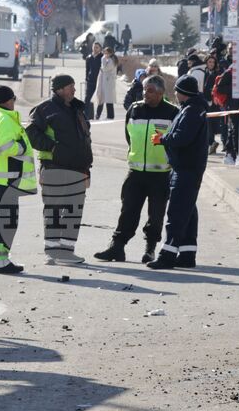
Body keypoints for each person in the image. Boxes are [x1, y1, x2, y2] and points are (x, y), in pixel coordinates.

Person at [94, 75, 180, 264]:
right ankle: (117, 247)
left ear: (160, 93)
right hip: (135, 172)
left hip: (160, 174)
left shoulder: (172, 112)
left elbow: (176, 142)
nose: (145, 94)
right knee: (128, 211)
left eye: (149, 90)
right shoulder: (134, 109)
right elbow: (129, 136)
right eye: (143, 89)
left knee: (156, 216)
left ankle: (150, 249)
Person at [26, 74, 93, 265]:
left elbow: (84, 139)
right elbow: (31, 133)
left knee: (73, 210)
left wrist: (86, 168)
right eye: (70, 86)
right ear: (59, 89)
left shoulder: (77, 109)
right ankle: (53, 251)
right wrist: (52, 147)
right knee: (54, 210)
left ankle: (67, 251)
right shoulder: (45, 109)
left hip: (78, 169)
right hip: (54, 167)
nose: (74, 90)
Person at [147, 75, 210, 270]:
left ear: (183, 93)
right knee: (188, 212)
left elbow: (182, 137)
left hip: (185, 169)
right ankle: (187, 254)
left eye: (176, 90)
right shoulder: (192, 109)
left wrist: (162, 139)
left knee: (177, 213)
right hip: (187, 167)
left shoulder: (192, 111)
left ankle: (167, 255)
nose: (174, 93)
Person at [0, 85, 37, 274]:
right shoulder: (3, 119)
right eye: (13, 99)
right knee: (6, 219)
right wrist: (21, 146)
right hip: (5, 178)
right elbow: (5, 147)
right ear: (8, 100)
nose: (14, 103)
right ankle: (1, 261)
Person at [202, 55, 222, 154]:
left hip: (213, 102)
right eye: (209, 62)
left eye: (213, 62)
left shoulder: (217, 74)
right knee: (207, 123)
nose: (211, 64)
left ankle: (211, 142)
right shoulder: (203, 73)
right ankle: (211, 143)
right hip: (204, 101)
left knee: (211, 123)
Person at [94, 47, 120, 120]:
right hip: (105, 81)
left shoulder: (111, 60)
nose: (105, 55)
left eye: (107, 53)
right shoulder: (108, 59)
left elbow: (105, 68)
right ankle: (102, 115)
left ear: (110, 53)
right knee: (104, 98)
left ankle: (110, 115)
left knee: (108, 99)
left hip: (109, 81)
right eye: (104, 53)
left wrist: (103, 60)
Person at [83, 42, 102, 120]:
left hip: (99, 81)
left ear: (100, 48)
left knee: (100, 99)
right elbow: (87, 69)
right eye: (94, 47)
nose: (95, 48)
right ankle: (85, 115)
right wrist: (87, 78)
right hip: (90, 81)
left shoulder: (102, 57)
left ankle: (97, 115)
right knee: (87, 99)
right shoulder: (89, 57)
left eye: (97, 47)